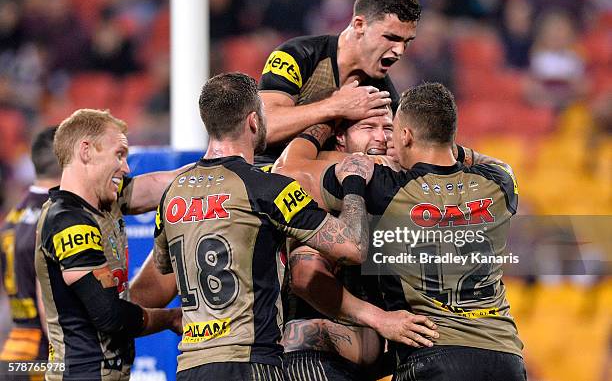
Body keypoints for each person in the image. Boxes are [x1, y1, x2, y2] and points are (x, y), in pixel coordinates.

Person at [152, 72, 373, 381]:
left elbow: (164, 265)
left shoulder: (172, 193)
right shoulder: (267, 188)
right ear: (254, 121)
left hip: (191, 366)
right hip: (251, 361)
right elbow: (353, 247)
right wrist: (353, 182)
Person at [320, 83, 526, 381]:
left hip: (434, 353)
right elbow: (498, 165)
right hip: (505, 357)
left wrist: (354, 169)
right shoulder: (500, 184)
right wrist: (450, 145)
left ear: (404, 136)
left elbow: (298, 170)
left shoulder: (384, 188)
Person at [273, 97, 437, 381]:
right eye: (367, 126)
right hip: (316, 362)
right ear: (340, 139)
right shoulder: (325, 191)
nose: (381, 137)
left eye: (388, 128)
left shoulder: (394, 191)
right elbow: (305, 277)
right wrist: (380, 320)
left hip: (364, 364)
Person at [34, 109, 185, 381]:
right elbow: (110, 316)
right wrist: (171, 318)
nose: (126, 167)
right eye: (119, 154)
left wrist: (219, 170)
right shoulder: (70, 222)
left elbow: (163, 185)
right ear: (86, 151)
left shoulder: (104, 201)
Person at [257, 0, 421, 165]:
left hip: (325, 185)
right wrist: (336, 107)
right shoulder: (298, 55)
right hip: (267, 176)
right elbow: (264, 129)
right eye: (391, 38)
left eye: (406, 41)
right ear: (359, 25)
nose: (400, 50)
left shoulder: (382, 92)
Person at [0, 127, 60, 381]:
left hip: (13, 349)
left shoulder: (12, 217)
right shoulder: (57, 215)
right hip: (43, 356)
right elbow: (48, 299)